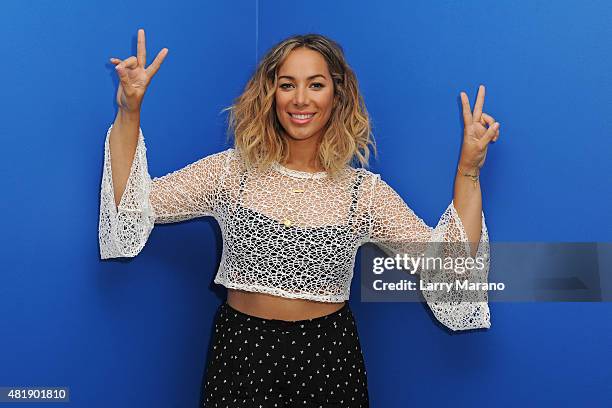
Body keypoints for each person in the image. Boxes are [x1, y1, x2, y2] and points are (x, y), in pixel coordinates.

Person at [99, 29, 500, 408]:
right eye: (287, 84)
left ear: (336, 94)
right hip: (240, 353)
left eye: (315, 84)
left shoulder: (365, 193)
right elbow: (134, 208)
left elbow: (448, 269)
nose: (300, 99)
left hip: (328, 359)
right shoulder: (230, 172)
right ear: (271, 94)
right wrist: (129, 109)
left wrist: (468, 169)